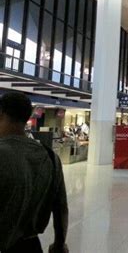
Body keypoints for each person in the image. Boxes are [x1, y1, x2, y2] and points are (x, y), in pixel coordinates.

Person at [0, 92, 68, 253]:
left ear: (1, 113)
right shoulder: (50, 157)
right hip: (30, 246)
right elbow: (61, 208)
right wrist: (59, 244)